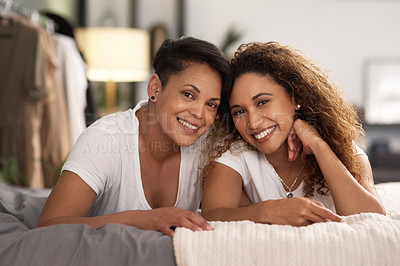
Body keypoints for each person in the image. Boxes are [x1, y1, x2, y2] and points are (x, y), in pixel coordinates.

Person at [36, 36, 232, 237]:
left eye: (211, 104)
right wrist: (141, 219)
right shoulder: (105, 139)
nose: (200, 114)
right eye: (188, 95)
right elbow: (47, 227)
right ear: (155, 88)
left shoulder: (210, 147)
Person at [201, 41, 385, 226]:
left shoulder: (343, 150)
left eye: (263, 102)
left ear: (295, 98)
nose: (253, 122)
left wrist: (319, 146)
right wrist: (271, 210)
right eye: (239, 112)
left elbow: (373, 218)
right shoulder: (236, 155)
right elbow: (212, 214)